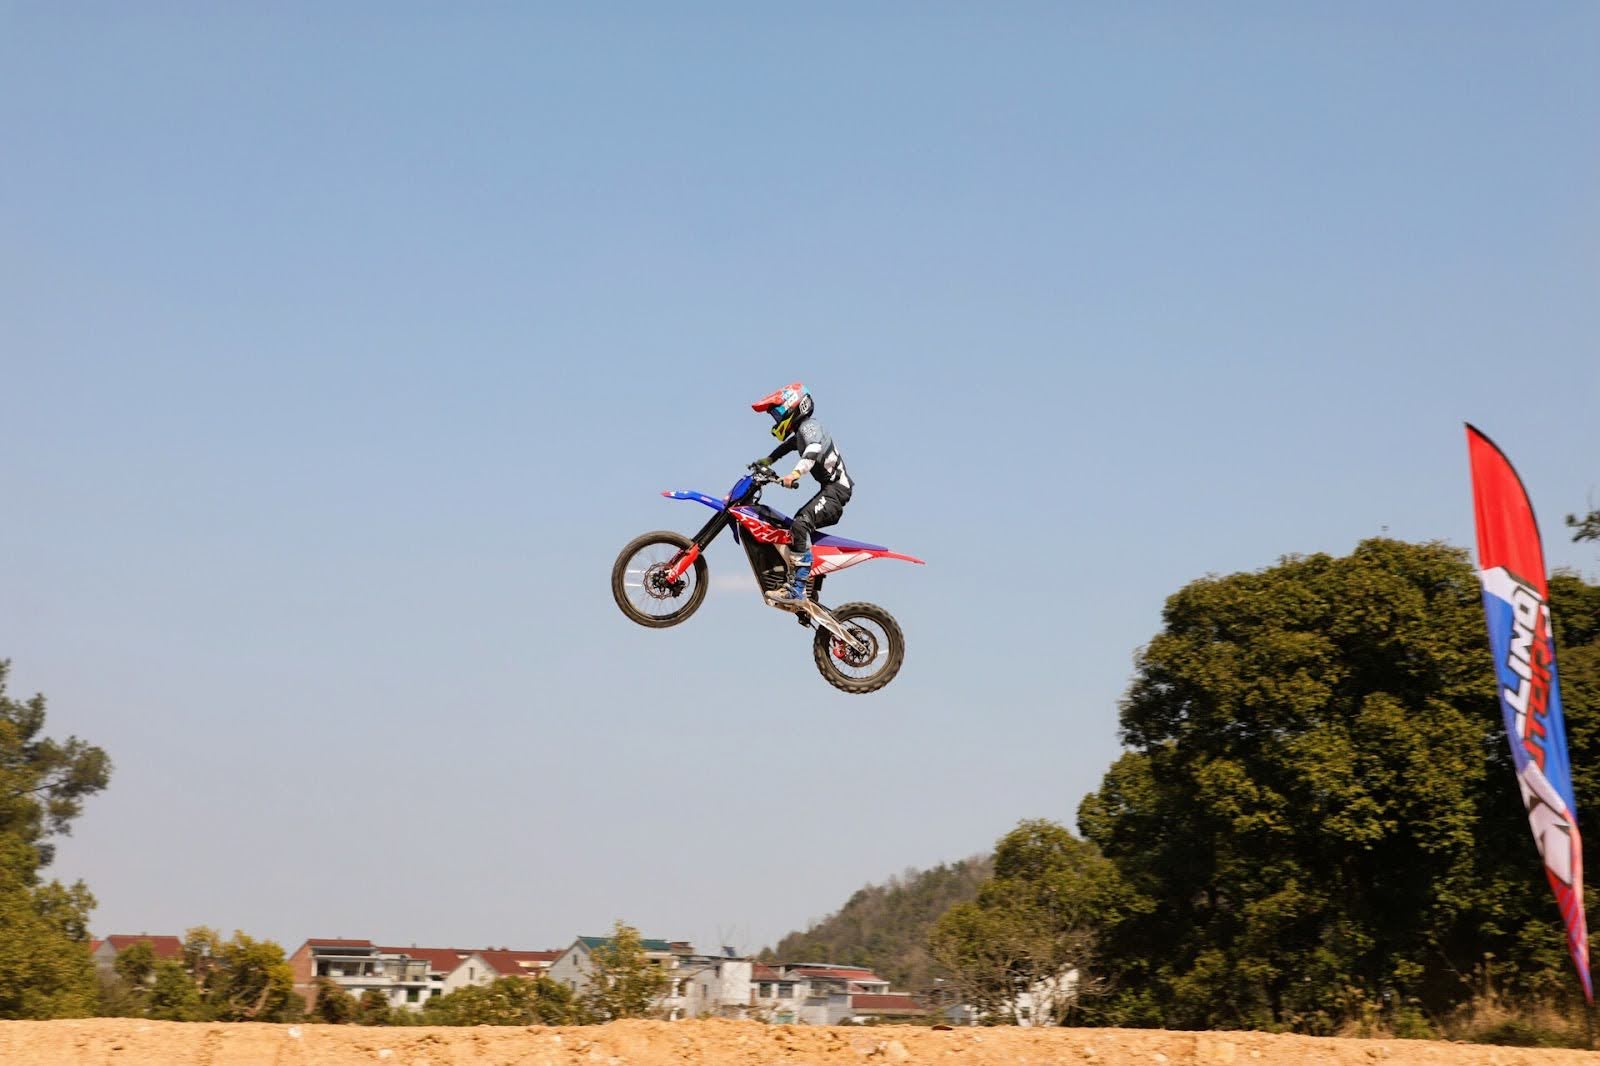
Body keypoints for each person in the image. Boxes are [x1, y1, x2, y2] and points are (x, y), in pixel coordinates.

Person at [750, 382, 853, 604]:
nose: (777, 419)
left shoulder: (809, 427)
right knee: (789, 527)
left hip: (837, 490)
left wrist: (794, 474)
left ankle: (798, 588)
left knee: (800, 524)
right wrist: (767, 461)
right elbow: (787, 447)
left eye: (778, 413)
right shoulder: (800, 433)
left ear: (794, 407)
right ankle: (804, 582)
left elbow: (813, 450)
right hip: (830, 489)